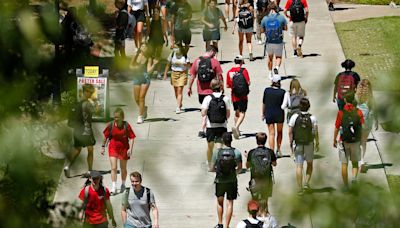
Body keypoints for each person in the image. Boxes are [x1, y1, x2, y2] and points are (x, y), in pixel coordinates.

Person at [189, 45, 224, 138]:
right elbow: (220, 76)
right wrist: (222, 87)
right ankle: (212, 129)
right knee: (212, 110)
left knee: (204, 110)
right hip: (212, 91)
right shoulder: (215, 62)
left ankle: (202, 129)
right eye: (215, 53)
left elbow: (192, 76)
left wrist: (189, 87)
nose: (215, 55)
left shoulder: (197, 61)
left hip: (201, 91)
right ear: (212, 51)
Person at [210, 132, 243, 228]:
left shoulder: (217, 152)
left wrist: (217, 171)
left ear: (223, 141)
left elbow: (211, 168)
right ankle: (227, 226)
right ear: (231, 141)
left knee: (220, 202)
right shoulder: (236, 152)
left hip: (220, 181)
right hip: (232, 180)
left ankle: (220, 223)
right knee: (230, 203)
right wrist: (234, 173)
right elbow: (240, 168)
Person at [64, 84, 97, 177]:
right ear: (86, 92)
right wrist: (95, 102)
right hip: (86, 130)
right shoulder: (87, 103)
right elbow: (96, 111)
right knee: (90, 149)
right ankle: (90, 171)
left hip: (77, 130)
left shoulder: (77, 102)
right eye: (90, 92)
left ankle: (67, 166)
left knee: (77, 149)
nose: (91, 94)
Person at [333, 92, 364, 190]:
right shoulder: (358, 112)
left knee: (344, 163)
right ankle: (354, 178)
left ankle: (346, 186)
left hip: (344, 140)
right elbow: (363, 126)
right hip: (355, 141)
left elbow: (337, 127)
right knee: (354, 162)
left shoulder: (341, 113)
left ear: (345, 100)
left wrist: (334, 139)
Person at [101, 108, 136, 194]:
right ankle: (114, 186)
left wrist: (130, 149)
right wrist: (103, 147)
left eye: (117, 117)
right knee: (113, 168)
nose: (115, 119)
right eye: (115, 117)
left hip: (124, 148)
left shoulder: (126, 125)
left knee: (123, 168)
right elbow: (105, 136)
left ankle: (123, 184)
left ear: (122, 117)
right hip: (113, 148)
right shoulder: (111, 125)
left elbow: (132, 137)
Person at [288, 98, 319, 195]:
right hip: (309, 142)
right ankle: (306, 183)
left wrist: (291, 143)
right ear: (308, 107)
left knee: (299, 166)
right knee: (309, 164)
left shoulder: (294, 117)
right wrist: (317, 142)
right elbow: (315, 131)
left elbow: (290, 132)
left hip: (298, 143)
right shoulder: (312, 118)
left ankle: (299, 188)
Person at [245, 132, 277, 217]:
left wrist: (247, 157)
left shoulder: (252, 152)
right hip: (266, 179)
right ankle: (264, 215)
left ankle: (254, 217)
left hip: (255, 179)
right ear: (265, 141)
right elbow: (274, 164)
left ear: (256, 141)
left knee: (254, 199)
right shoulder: (270, 152)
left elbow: (247, 166)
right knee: (264, 199)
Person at [201, 79, 231, 167]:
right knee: (220, 146)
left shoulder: (208, 98)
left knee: (210, 146)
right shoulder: (225, 98)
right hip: (222, 125)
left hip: (210, 126)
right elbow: (228, 114)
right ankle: (219, 162)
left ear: (211, 87)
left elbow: (203, 113)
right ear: (221, 86)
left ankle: (209, 162)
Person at [130, 42, 159, 124]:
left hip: (145, 77)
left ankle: (140, 116)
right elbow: (130, 66)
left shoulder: (148, 58)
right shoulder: (135, 56)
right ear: (140, 48)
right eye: (142, 46)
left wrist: (154, 65)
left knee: (141, 97)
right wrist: (135, 67)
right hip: (136, 77)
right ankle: (144, 109)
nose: (144, 48)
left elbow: (149, 71)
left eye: (146, 47)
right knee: (136, 99)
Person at [355, 79, 379, 172]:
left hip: (359, 121)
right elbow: (375, 110)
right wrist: (376, 121)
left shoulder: (356, 97)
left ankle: (358, 160)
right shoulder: (371, 98)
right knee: (363, 141)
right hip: (368, 121)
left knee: (358, 142)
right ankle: (361, 160)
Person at [262, 74, 288, 158]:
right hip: (279, 113)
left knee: (271, 134)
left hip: (269, 113)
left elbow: (264, 103)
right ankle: (278, 149)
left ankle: (271, 151)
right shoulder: (282, 92)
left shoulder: (267, 90)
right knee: (279, 132)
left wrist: (262, 113)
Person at [226, 55, 251, 139]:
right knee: (242, 113)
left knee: (237, 112)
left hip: (234, 95)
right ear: (241, 62)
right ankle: (236, 127)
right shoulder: (244, 71)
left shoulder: (229, 71)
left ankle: (238, 130)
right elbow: (248, 82)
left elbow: (227, 85)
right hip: (243, 96)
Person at [261, 2, 287, 77]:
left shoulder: (265, 18)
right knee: (278, 57)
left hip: (269, 42)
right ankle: (276, 67)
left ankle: (270, 73)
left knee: (270, 57)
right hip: (278, 41)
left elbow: (262, 31)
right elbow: (285, 28)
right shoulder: (281, 17)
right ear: (276, 9)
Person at [163, 45, 191, 114]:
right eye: (174, 47)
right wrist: (165, 74)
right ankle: (180, 103)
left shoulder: (184, 55)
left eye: (176, 47)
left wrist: (185, 65)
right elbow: (168, 64)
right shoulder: (172, 54)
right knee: (176, 91)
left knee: (179, 90)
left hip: (182, 73)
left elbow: (189, 65)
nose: (175, 49)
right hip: (174, 73)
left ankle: (178, 107)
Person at [148, 6, 168, 79]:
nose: (155, 13)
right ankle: (150, 71)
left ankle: (159, 72)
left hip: (159, 40)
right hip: (152, 40)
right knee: (151, 56)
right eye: (154, 11)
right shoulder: (150, 20)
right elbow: (148, 30)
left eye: (157, 11)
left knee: (158, 56)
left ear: (159, 12)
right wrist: (146, 38)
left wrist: (166, 39)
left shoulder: (162, 20)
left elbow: (163, 30)